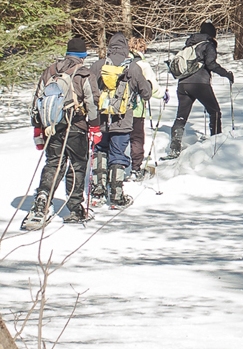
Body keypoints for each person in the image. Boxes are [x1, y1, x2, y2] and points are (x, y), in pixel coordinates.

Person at [23, 37, 102, 229]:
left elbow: (36, 102)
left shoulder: (50, 71)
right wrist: (95, 127)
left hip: (51, 127)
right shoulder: (84, 73)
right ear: (83, 56)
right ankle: (75, 207)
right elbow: (92, 102)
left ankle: (42, 199)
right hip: (76, 127)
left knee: (53, 163)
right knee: (77, 164)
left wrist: (38, 129)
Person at [89, 32, 152, 209]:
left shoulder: (98, 65)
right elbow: (145, 93)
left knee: (100, 150)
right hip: (123, 120)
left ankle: (97, 189)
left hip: (101, 119)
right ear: (125, 48)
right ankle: (116, 194)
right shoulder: (132, 67)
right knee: (118, 154)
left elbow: (89, 91)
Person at [166, 21, 234, 159]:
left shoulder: (190, 44)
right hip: (199, 84)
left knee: (181, 116)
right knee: (214, 111)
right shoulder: (208, 45)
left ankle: (175, 147)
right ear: (212, 34)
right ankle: (216, 143)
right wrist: (226, 73)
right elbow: (211, 64)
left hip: (183, 84)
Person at [127, 37, 163, 181]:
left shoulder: (120, 62)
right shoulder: (143, 65)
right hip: (136, 108)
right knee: (137, 138)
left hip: (117, 108)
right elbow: (151, 86)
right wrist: (162, 94)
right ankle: (136, 169)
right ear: (142, 49)